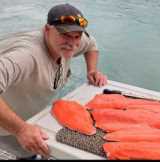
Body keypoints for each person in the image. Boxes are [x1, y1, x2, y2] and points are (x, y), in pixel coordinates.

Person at [0, 3, 107, 158]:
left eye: (76, 36)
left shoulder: (74, 42)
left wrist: (92, 70)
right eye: (65, 35)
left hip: (27, 114)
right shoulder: (26, 56)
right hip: (5, 126)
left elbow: (91, 45)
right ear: (47, 29)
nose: (72, 43)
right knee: (29, 152)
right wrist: (21, 129)